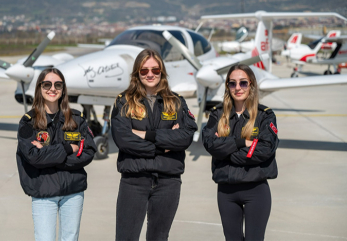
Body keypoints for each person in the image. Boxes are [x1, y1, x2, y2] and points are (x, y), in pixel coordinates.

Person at [111, 48, 197, 241]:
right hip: (134, 181)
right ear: (137, 73)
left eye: (155, 70)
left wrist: (143, 134)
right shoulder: (123, 102)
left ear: (162, 72)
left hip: (168, 182)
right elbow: (123, 140)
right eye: (144, 70)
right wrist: (165, 145)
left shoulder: (176, 102)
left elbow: (186, 136)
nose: (150, 74)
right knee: (126, 237)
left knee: (159, 237)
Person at [16, 68, 97, 241]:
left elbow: (88, 151)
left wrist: (48, 157)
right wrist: (68, 149)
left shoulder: (77, 119)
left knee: (70, 238)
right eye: (47, 84)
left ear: (63, 89)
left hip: (73, 192)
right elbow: (33, 157)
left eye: (57, 84)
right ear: (39, 87)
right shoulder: (28, 122)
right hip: (43, 192)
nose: (52, 88)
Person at [202, 64, 279, 241]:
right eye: (232, 83)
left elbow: (264, 149)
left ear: (251, 85)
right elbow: (209, 143)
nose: (238, 88)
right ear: (227, 86)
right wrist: (241, 142)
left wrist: (225, 151)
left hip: (256, 190)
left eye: (243, 83)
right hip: (226, 193)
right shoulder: (217, 115)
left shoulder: (264, 116)